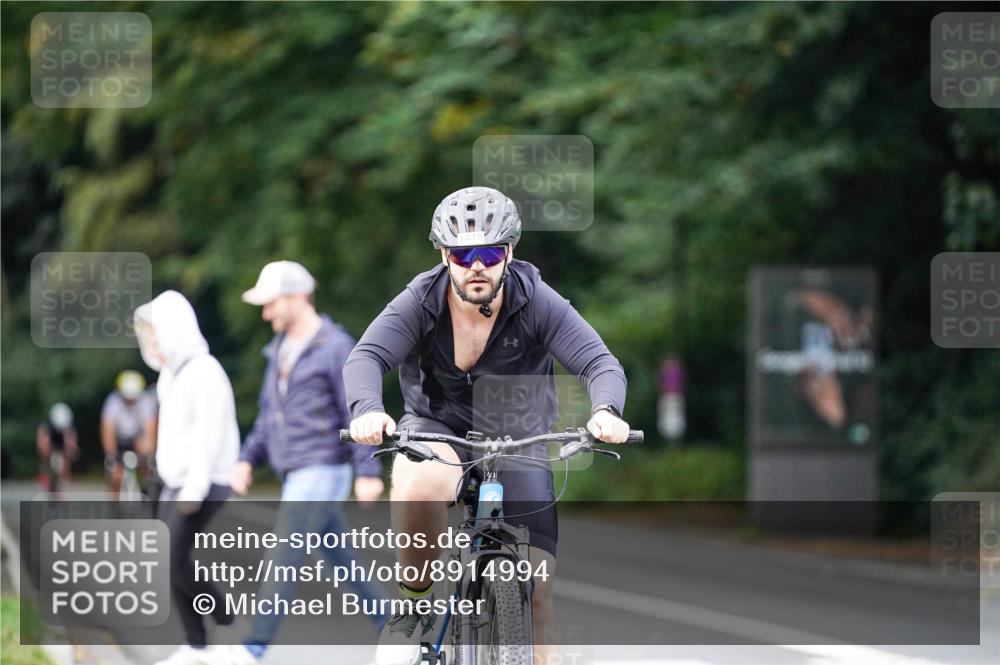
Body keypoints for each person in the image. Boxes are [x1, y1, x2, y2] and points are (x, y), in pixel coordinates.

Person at [343, 187, 631, 665]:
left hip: (519, 437)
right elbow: (366, 358)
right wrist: (367, 410)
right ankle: (411, 605)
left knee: (539, 595)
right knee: (418, 478)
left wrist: (606, 412)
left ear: (509, 253)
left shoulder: (536, 299)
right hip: (440, 427)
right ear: (444, 255)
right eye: (462, 254)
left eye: (490, 252)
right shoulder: (419, 300)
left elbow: (599, 362)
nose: (477, 265)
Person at [205, 261, 388, 665]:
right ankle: (397, 632)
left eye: (271, 304)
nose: (266, 313)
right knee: (344, 562)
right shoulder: (280, 350)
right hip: (297, 469)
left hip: (323, 467)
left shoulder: (336, 347)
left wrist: (368, 471)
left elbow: (356, 411)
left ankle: (252, 647)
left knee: (284, 554)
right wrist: (246, 460)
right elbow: (269, 417)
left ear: (295, 297)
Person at [134, 290, 239, 665]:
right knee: (167, 560)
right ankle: (196, 646)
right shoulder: (171, 376)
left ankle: (225, 615)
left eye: (155, 337)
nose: (151, 345)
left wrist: (194, 487)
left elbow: (208, 437)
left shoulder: (203, 371)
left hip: (204, 481)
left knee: (173, 557)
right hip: (174, 480)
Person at [101, 369, 157, 499]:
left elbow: (150, 432)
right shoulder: (112, 402)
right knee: (115, 476)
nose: (130, 402)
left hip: (138, 438)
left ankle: (147, 493)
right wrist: (112, 455)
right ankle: (114, 510)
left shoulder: (146, 401)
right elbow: (107, 432)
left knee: (147, 468)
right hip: (119, 440)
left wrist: (147, 453)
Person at [36, 402, 78, 494]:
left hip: (60, 449)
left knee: (64, 463)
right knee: (49, 463)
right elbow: (42, 444)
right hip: (52, 448)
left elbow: (71, 444)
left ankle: (62, 485)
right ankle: (46, 476)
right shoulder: (46, 427)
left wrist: (71, 452)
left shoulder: (68, 428)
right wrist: (46, 454)